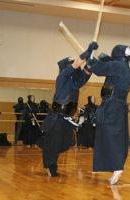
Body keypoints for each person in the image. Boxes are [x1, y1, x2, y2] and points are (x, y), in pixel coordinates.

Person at [37, 42, 96, 177]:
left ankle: (42, 141)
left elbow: (86, 72)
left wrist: (91, 59)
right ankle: (51, 167)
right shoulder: (62, 77)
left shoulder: (75, 82)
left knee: (64, 145)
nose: (74, 68)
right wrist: (87, 51)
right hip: (56, 118)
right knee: (53, 145)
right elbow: (76, 64)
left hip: (67, 119)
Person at [86, 44, 130, 185]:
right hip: (116, 106)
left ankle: (118, 167)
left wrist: (90, 56)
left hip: (113, 106)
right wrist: (92, 56)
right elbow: (101, 65)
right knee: (111, 136)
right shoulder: (124, 66)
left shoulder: (118, 65)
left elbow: (97, 68)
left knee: (111, 137)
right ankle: (115, 167)